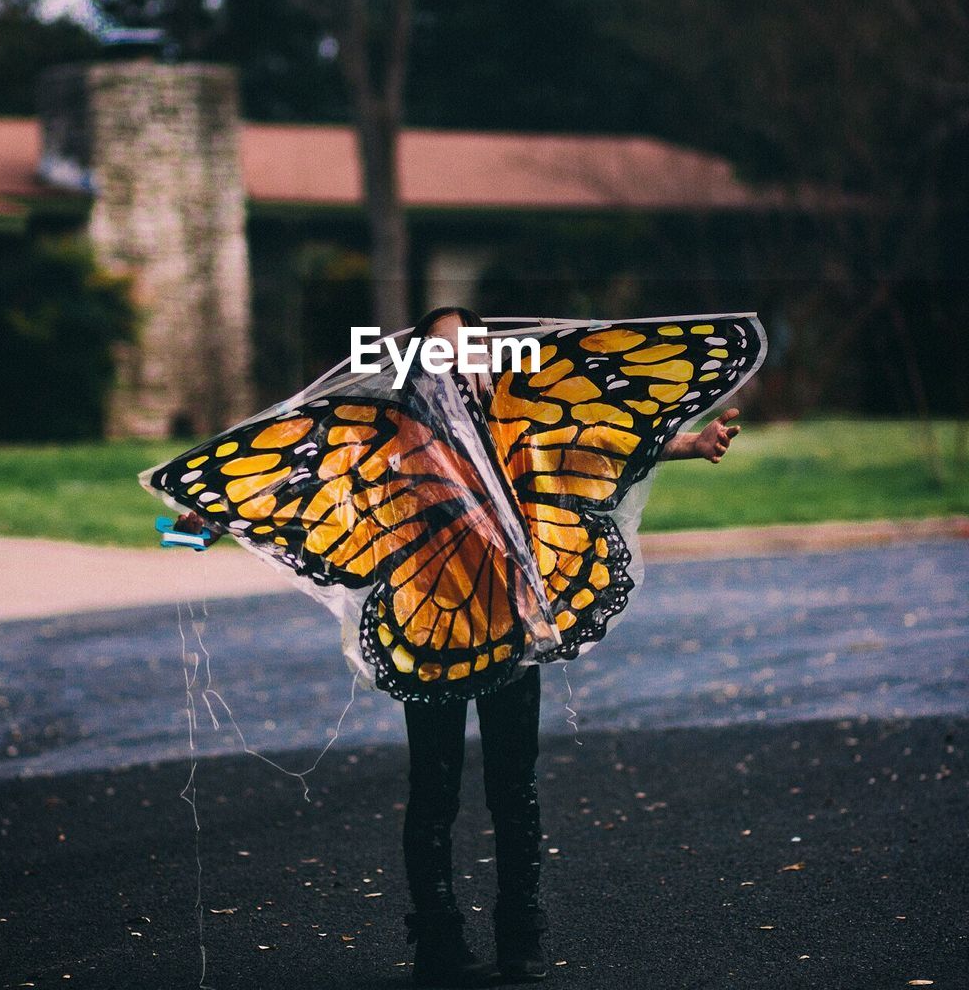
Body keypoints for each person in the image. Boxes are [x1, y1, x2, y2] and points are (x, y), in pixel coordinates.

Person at [177, 306, 743, 988]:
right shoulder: (391, 436)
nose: (458, 360)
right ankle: (438, 942)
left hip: (512, 619)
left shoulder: (520, 420)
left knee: (514, 784)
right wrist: (213, 507)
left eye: (469, 348)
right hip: (432, 624)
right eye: (442, 350)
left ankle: (521, 934)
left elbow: (598, 440)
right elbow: (306, 477)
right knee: (435, 787)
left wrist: (691, 443)